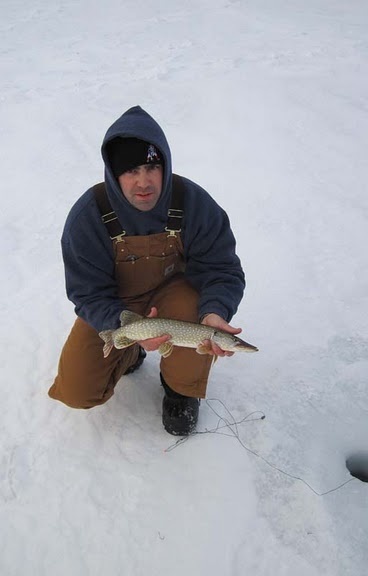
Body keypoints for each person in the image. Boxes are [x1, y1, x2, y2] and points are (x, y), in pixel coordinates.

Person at [49, 105, 246, 436]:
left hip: (176, 295)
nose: (143, 182)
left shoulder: (194, 203)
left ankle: (181, 391)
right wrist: (127, 328)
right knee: (77, 391)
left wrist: (215, 311)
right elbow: (87, 292)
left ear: (165, 165)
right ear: (113, 173)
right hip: (118, 305)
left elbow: (222, 269)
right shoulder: (89, 215)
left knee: (193, 310)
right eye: (130, 170)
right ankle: (130, 353)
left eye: (152, 166)